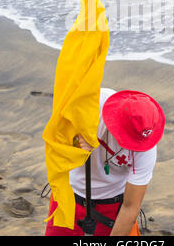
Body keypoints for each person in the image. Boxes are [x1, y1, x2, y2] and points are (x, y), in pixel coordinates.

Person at [45, 87, 165, 236]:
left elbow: (130, 207)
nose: (133, 146)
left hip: (113, 206)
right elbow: (55, 136)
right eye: (128, 138)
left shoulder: (146, 147)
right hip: (69, 196)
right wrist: (75, 144)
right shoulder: (93, 104)